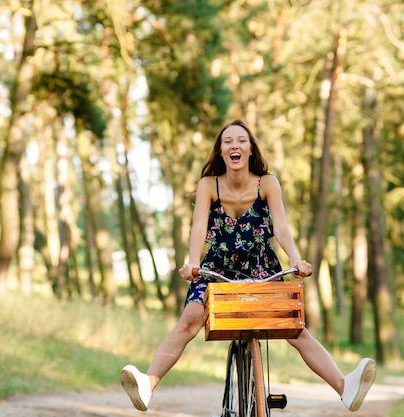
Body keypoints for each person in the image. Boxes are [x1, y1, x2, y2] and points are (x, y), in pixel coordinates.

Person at [120, 119, 376, 412]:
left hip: (261, 265)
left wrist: (295, 259)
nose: (235, 146)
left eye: (241, 140)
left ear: (251, 149)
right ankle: (148, 384)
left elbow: (280, 226)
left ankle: (346, 388)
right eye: (228, 141)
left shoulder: (267, 183)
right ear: (220, 151)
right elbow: (197, 229)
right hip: (218, 266)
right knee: (189, 320)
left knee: (294, 327)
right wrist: (192, 262)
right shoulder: (209, 186)